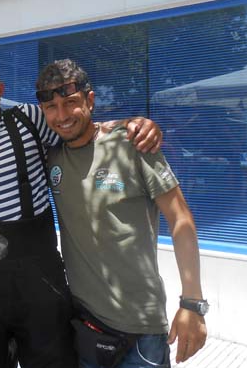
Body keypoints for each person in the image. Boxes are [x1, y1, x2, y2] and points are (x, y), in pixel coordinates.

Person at [0, 60, 162, 368]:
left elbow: (77, 127)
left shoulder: (28, 118)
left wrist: (132, 125)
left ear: (0, 90)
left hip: (39, 277)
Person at [36, 59, 207, 368]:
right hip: (85, 326)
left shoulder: (133, 144)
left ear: (90, 100)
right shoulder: (52, 157)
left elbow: (180, 219)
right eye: (51, 107)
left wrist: (192, 303)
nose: (62, 116)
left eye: (71, 102)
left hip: (142, 332)